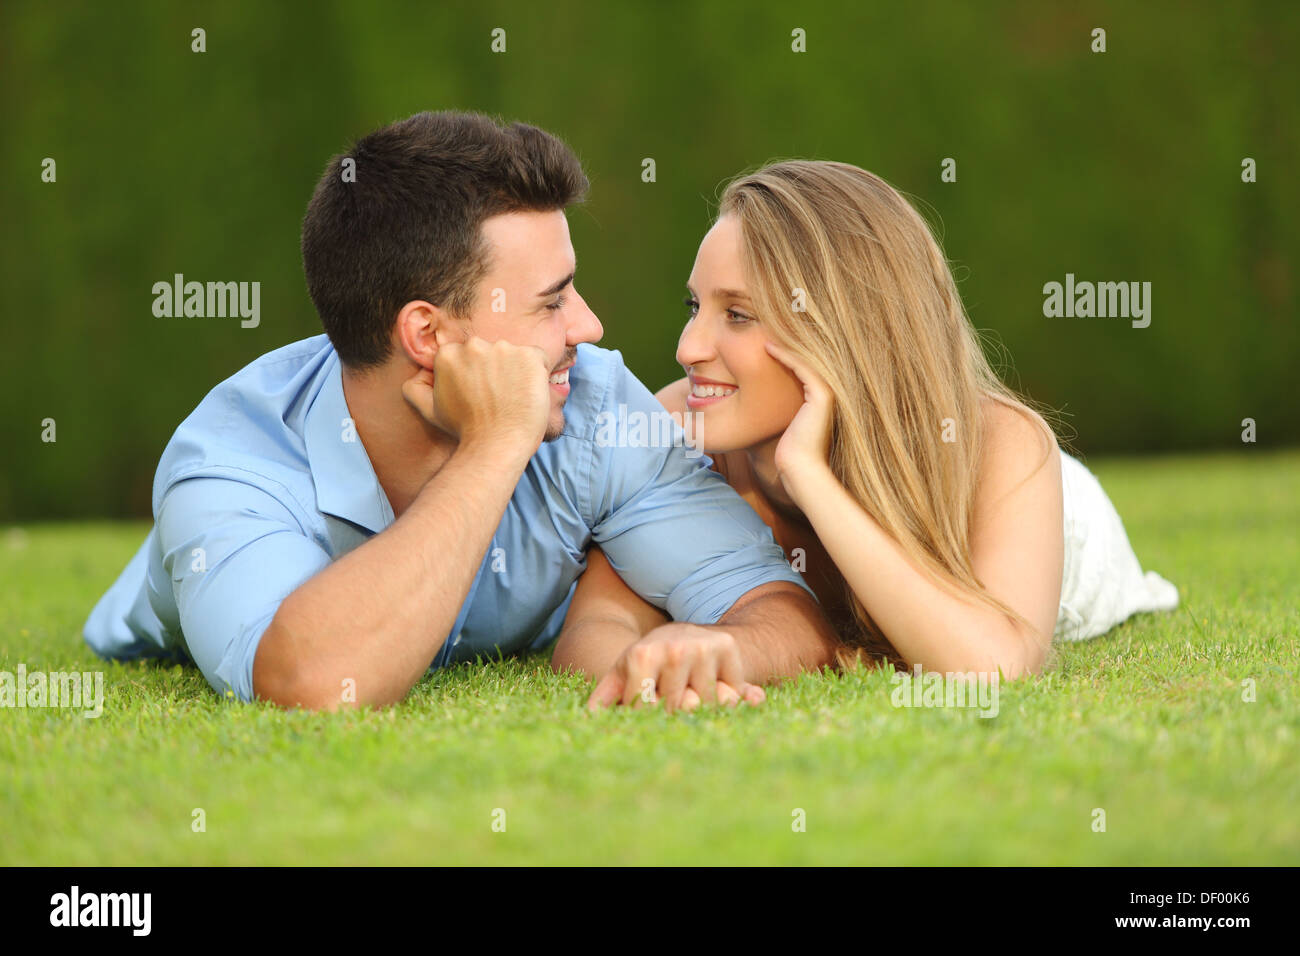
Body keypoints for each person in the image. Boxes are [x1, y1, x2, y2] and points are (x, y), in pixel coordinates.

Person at [82, 112, 841, 712]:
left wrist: (728, 653)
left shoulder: (597, 405)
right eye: (551, 303)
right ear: (428, 335)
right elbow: (311, 686)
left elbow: (779, 609)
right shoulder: (230, 461)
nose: (590, 328)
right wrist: (494, 446)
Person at [555, 160, 1180, 705]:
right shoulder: (675, 427)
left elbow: (993, 666)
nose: (687, 347)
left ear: (839, 334)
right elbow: (599, 620)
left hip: (1072, 529)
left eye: (738, 315)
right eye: (696, 307)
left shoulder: (1001, 444)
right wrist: (657, 664)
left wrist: (809, 475)